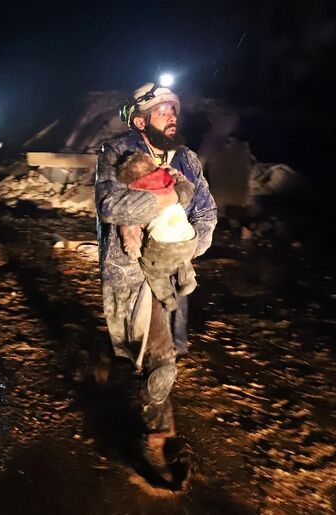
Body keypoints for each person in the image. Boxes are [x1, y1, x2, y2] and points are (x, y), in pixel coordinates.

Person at [95, 82, 217, 485]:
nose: (173, 115)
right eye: (163, 109)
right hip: (130, 274)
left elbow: (206, 213)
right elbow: (110, 205)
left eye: (174, 109)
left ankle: (157, 434)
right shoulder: (117, 151)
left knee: (163, 357)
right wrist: (166, 200)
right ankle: (156, 438)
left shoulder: (187, 159)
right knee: (153, 357)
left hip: (171, 272)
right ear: (141, 119)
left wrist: (186, 246)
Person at [115, 152, 198, 312]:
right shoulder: (168, 178)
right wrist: (178, 176)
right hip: (190, 240)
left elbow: (128, 224)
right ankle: (187, 276)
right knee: (183, 256)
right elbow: (188, 190)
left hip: (163, 249)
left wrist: (132, 247)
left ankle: (167, 299)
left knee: (152, 271)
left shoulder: (136, 197)